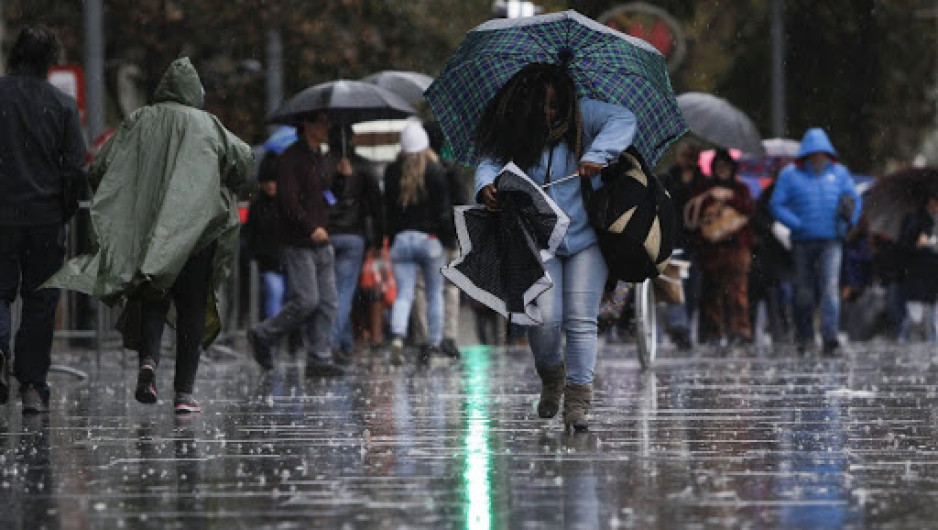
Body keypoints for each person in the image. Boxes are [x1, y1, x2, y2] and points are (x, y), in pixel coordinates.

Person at [45, 57, 253, 413]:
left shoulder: (139, 120)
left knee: (152, 298)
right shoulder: (209, 125)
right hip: (197, 236)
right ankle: (184, 394)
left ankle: (148, 364)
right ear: (195, 93)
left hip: (150, 235)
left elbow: (99, 166)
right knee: (190, 310)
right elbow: (244, 163)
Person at [474, 63, 636, 432]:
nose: (549, 113)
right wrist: (487, 186)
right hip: (536, 236)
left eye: (555, 105)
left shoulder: (586, 115)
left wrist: (599, 154)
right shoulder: (516, 129)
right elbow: (490, 159)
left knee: (581, 318)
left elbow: (624, 119)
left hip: (585, 239)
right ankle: (551, 374)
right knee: (544, 317)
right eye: (542, 105)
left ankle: (578, 399)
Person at [0, 27, 87, 413]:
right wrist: (64, 209)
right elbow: (75, 171)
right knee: (40, 302)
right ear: (49, 62)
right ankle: (32, 385)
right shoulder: (63, 106)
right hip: (45, 218)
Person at [247, 111, 346, 377]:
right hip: (300, 241)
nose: (326, 126)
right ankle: (264, 334)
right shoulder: (290, 159)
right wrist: (309, 226)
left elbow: (329, 196)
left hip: (323, 239)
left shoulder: (320, 157)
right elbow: (288, 201)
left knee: (329, 302)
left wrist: (342, 177)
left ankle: (319, 357)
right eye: (321, 121)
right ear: (307, 125)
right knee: (307, 301)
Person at [770, 128, 861, 355]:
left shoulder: (840, 174)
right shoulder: (790, 175)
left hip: (832, 240)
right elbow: (776, 204)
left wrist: (850, 219)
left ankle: (830, 337)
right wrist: (796, 224)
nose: (817, 157)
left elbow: (855, 200)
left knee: (830, 289)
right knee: (804, 291)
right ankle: (805, 336)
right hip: (802, 241)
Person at [383, 121, 451, 366]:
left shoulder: (392, 172)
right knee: (434, 294)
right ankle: (434, 346)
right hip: (430, 240)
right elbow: (443, 211)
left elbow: (387, 211)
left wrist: (390, 237)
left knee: (405, 294)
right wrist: (447, 237)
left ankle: (398, 337)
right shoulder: (434, 171)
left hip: (401, 240)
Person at [325, 124, 384, 362]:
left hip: (327, 234)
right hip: (353, 235)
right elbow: (375, 206)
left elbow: (322, 199)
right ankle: (333, 343)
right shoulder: (363, 167)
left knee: (332, 292)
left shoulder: (323, 166)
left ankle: (345, 341)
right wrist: (378, 239)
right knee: (344, 292)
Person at [687, 149, 755, 346]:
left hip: (737, 247)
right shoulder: (704, 189)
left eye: (726, 167)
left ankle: (740, 330)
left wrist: (730, 197)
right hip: (711, 249)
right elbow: (694, 216)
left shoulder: (740, 189)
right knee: (712, 292)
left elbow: (749, 209)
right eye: (719, 167)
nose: (723, 171)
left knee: (738, 291)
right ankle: (714, 333)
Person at [425, 120, 468, 359]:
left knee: (424, 290)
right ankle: (449, 337)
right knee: (449, 289)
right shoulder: (449, 169)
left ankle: (428, 338)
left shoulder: (417, 169)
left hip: (427, 236)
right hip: (449, 237)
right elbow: (462, 201)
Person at [660, 140, 706, 349]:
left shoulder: (703, 181)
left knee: (693, 288)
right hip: (673, 238)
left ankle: (684, 327)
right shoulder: (668, 177)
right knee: (675, 284)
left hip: (696, 242)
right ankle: (680, 326)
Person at [245, 154, 285, 319]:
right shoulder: (258, 207)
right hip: (269, 262)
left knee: (281, 296)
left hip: (283, 260)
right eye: (267, 182)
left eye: (273, 181)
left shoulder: (285, 205)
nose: (270, 186)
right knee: (276, 294)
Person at [896, 189, 938, 343]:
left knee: (934, 317)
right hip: (918, 273)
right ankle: (904, 338)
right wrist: (918, 245)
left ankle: (933, 345)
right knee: (915, 316)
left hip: (933, 273)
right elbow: (903, 245)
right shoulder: (915, 219)